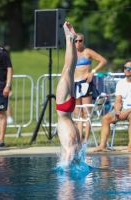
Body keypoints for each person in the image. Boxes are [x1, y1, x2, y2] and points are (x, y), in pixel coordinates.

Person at [74, 33, 107, 142]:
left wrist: (92, 72)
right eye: (76, 41)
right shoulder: (71, 53)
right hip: (75, 84)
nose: (78, 43)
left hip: (85, 82)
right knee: (77, 113)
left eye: (80, 40)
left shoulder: (87, 52)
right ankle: (79, 137)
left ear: (83, 41)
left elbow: (103, 61)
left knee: (86, 112)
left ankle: (86, 138)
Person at [56, 22, 81, 164]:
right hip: (64, 109)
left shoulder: (75, 138)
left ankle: (69, 38)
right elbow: (70, 155)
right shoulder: (72, 140)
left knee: (70, 69)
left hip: (68, 108)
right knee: (67, 69)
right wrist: (66, 167)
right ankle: (68, 38)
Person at [93, 60, 131, 152]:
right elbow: (118, 101)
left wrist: (126, 113)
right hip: (123, 108)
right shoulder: (120, 83)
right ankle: (103, 144)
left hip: (129, 110)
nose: (127, 70)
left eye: (130, 68)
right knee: (105, 118)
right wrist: (118, 111)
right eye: (126, 68)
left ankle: (130, 144)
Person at [0, 45, 13, 147]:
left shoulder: (2, 52)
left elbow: (10, 69)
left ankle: (1, 140)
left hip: (0, 87)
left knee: (1, 114)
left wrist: (7, 85)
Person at [4, 45, 14, 124]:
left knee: (6, 102)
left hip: (4, 83)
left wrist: (8, 86)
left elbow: (10, 71)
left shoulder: (5, 57)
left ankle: (10, 117)